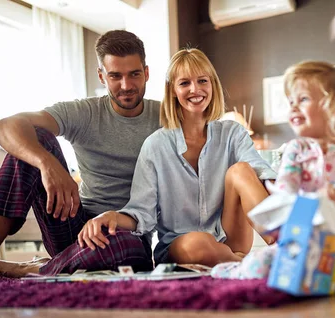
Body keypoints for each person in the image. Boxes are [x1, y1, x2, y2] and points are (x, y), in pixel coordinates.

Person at [0, 30, 160, 280]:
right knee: (36, 137)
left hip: (129, 232)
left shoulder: (165, 117)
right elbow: (4, 126)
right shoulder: (84, 112)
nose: (126, 86)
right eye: (115, 76)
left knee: (127, 248)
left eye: (134, 74)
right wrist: (47, 164)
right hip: (74, 227)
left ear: (147, 72)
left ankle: (35, 269)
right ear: (101, 76)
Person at [77, 48, 276, 267]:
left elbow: (259, 170)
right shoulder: (156, 145)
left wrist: (281, 187)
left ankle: (288, 247)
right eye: (184, 83)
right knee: (198, 243)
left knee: (242, 170)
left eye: (202, 81)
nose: (195, 89)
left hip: (230, 237)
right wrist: (111, 216)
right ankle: (250, 266)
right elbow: (142, 211)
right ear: (172, 90)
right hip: (183, 245)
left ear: (212, 85)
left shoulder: (232, 133)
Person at [211, 61, 335, 293]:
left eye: (304, 99)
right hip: (296, 245)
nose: (294, 108)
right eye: (291, 102)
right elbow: (287, 185)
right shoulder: (296, 149)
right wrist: (280, 205)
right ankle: (233, 271)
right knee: (260, 264)